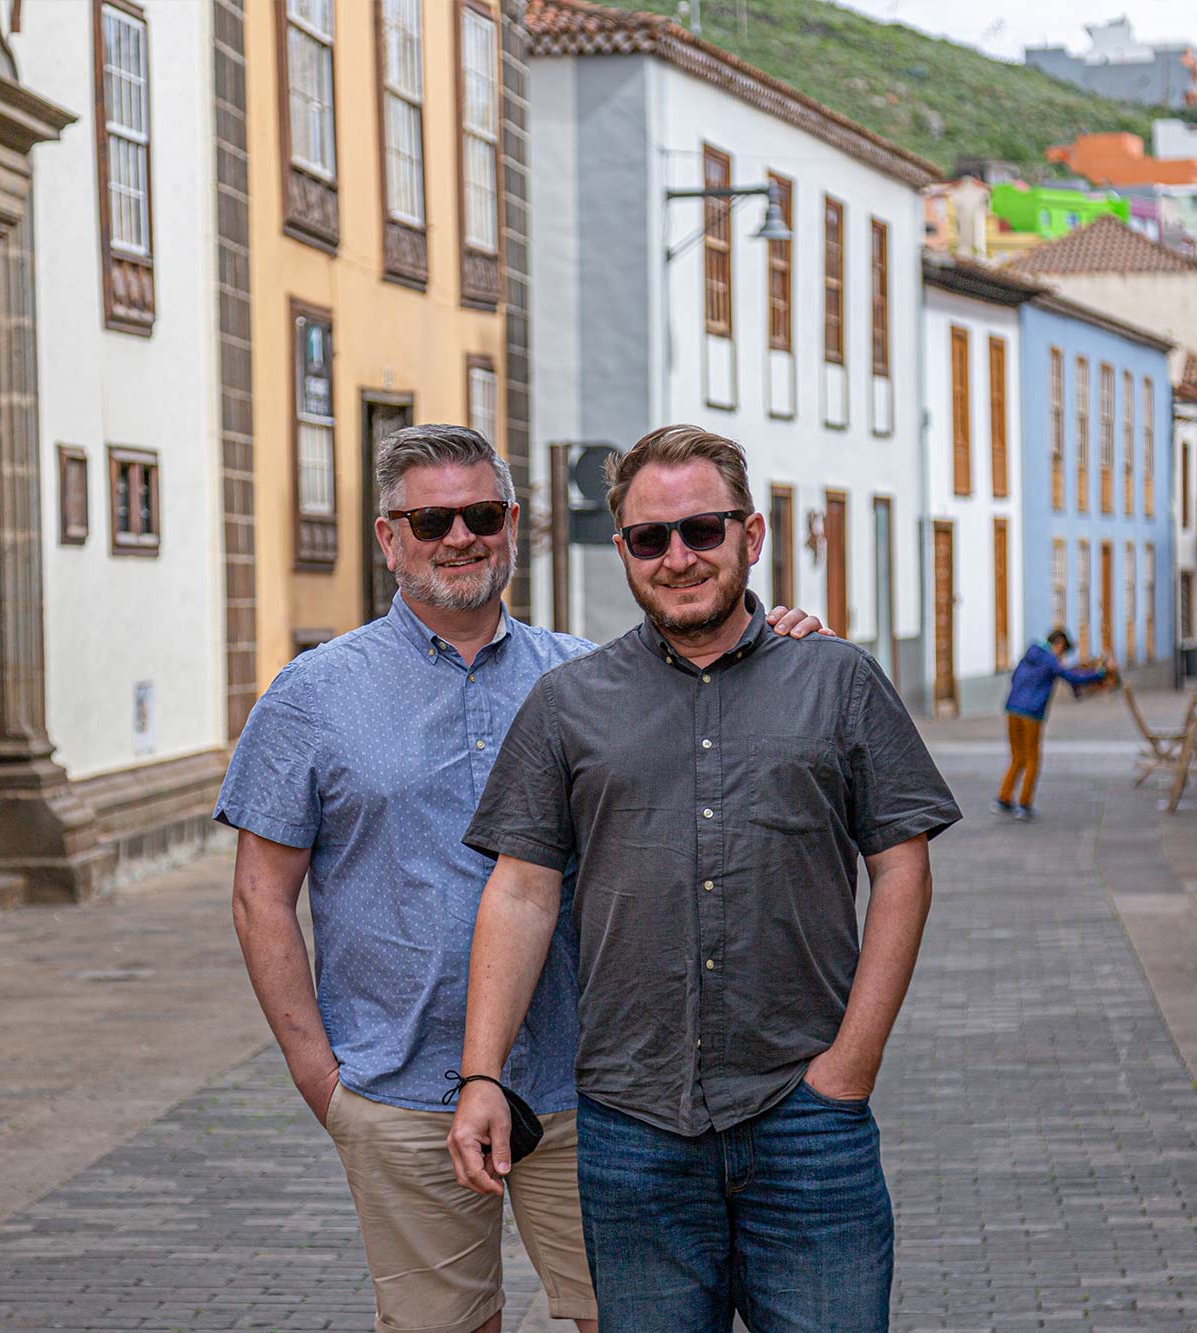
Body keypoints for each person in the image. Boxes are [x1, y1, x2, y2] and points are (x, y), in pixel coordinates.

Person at [216, 425, 824, 1333]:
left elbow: (717, 688)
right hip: (400, 1085)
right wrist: (321, 1077)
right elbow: (260, 894)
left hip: (592, 1089)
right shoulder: (311, 695)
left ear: (513, 526)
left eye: (483, 513)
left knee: (621, 1320)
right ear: (390, 538)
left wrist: (781, 636)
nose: (459, 536)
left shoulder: (591, 678)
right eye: (431, 519)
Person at [449, 425, 961, 1332]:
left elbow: (902, 868)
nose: (679, 556)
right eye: (652, 538)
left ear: (751, 537)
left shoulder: (837, 680)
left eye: (703, 531)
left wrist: (852, 1065)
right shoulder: (569, 704)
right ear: (624, 553)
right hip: (632, 1127)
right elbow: (522, 892)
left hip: (807, 1118)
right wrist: (481, 1073)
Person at [991, 628, 1107, 821]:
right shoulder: (1050, 659)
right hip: (1031, 713)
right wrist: (1099, 674)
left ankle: (1003, 798)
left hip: (1012, 709)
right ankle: (1024, 804)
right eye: (1063, 652)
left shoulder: (1029, 654)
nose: (1061, 657)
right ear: (1059, 643)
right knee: (1032, 759)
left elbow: (1014, 678)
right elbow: (1072, 677)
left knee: (1017, 757)